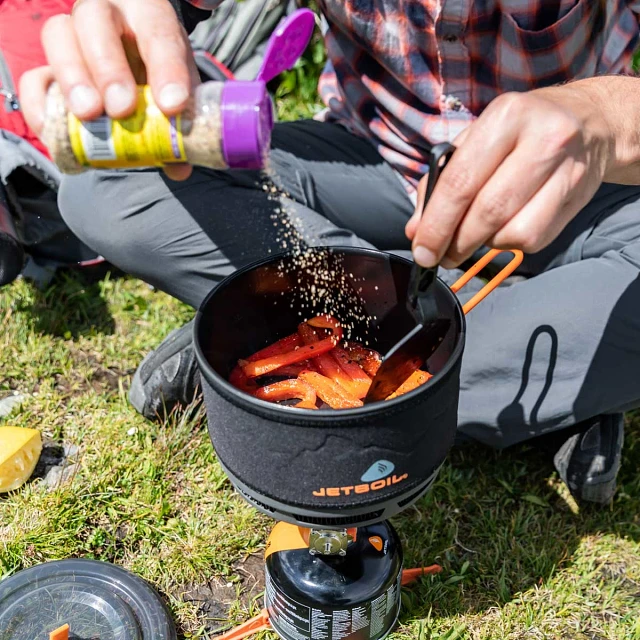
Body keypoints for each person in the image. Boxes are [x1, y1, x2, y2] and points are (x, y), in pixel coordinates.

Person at [19, 0, 640, 505]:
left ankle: (271, 331)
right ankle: (548, 360)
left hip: (581, 191)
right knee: (108, 183)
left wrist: (600, 118)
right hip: (365, 161)